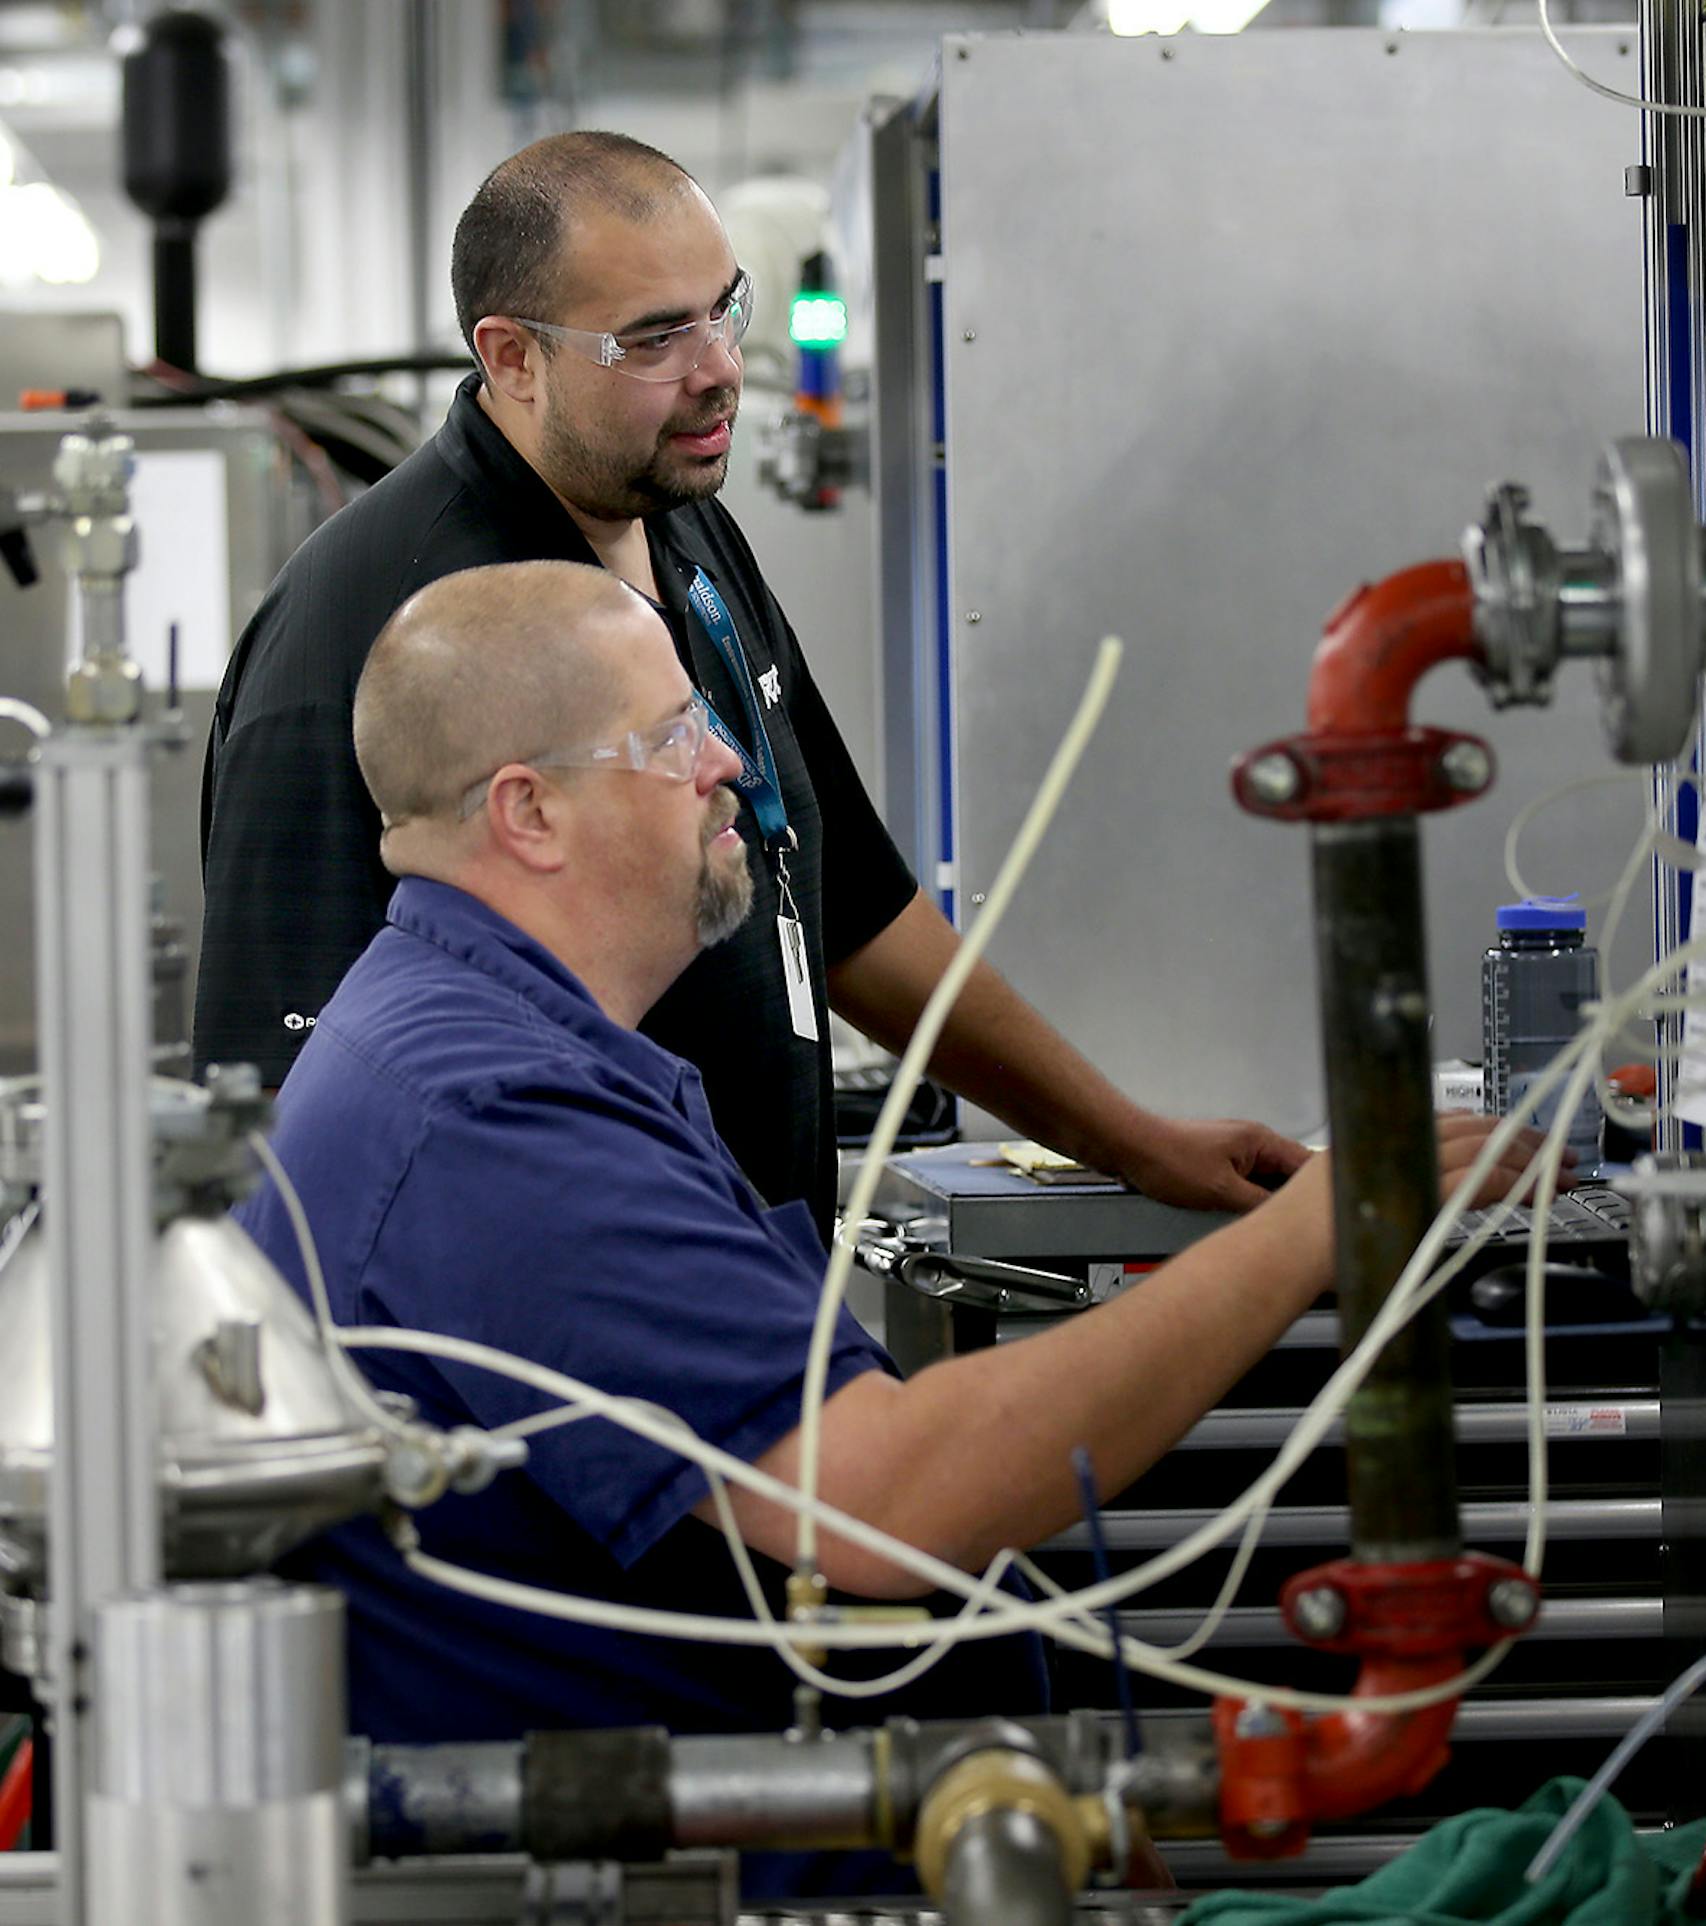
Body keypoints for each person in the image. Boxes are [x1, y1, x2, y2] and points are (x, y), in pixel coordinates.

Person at [236, 563, 1553, 1894]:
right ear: (530, 812)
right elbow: (884, 1502)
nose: (727, 765)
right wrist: (1325, 1225)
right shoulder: (488, 1117)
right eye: (674, 736)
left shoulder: (501, 1045)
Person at [198, 128, 1303, 1234]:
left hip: (752, 1270)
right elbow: (296, 1126)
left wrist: (1127, 1139)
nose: (721, 367)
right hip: (575, 1304)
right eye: (655, 339)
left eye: (725, 310)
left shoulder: (683, 526)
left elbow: (851, 906)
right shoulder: (369, 632)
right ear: (514, 358)